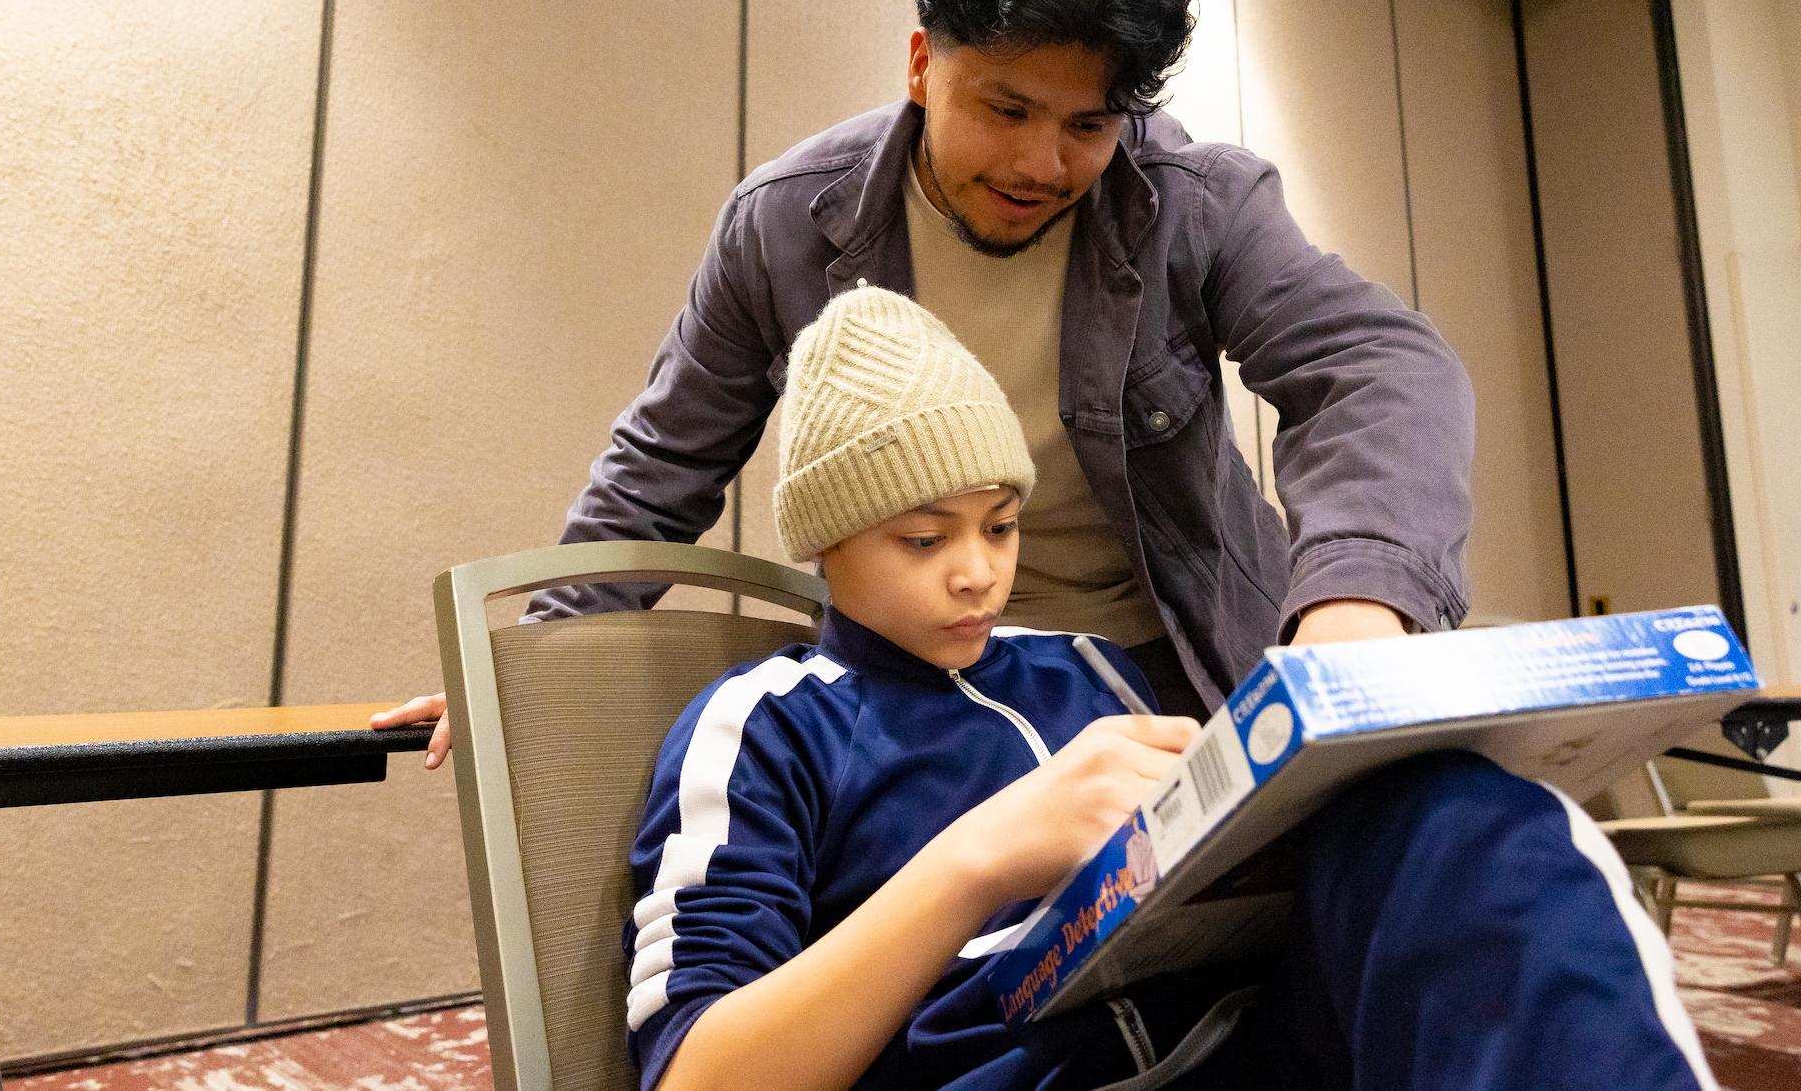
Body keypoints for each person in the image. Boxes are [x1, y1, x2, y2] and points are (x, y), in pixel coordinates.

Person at [376, 0, 1474, 763]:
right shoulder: (786, 224)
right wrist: (534, 669)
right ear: (920, 64)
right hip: (911, 676)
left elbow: (1379, 370)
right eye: (1005, 109)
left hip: (1163, 665)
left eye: (1088, 127)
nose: (1042, 163)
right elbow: (663, 462)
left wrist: (1352, 613)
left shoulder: (1194, 202)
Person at [623, 285, 1712, 1091]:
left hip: (1233, 1041)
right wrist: (978, 857)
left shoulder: (1080, 669)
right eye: (923, 537)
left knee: (1446, 819)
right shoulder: (764, 721)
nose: (977, 571)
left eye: (999, 526)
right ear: (826, 543)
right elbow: (696, 1075)